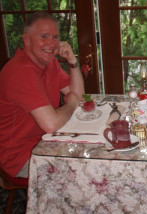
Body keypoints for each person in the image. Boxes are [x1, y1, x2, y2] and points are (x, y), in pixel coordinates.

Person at [0, 12, 84, 178]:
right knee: (84, 171)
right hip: (20, 156)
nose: (51, 43)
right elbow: (51, 124)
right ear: (27, 40)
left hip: (45, 140)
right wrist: (72, 104)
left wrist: (72, 61)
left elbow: (78, 96)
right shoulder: (20, 72)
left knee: (91, 155)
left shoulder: (49, 62)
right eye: (44, 36)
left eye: (55, 37)